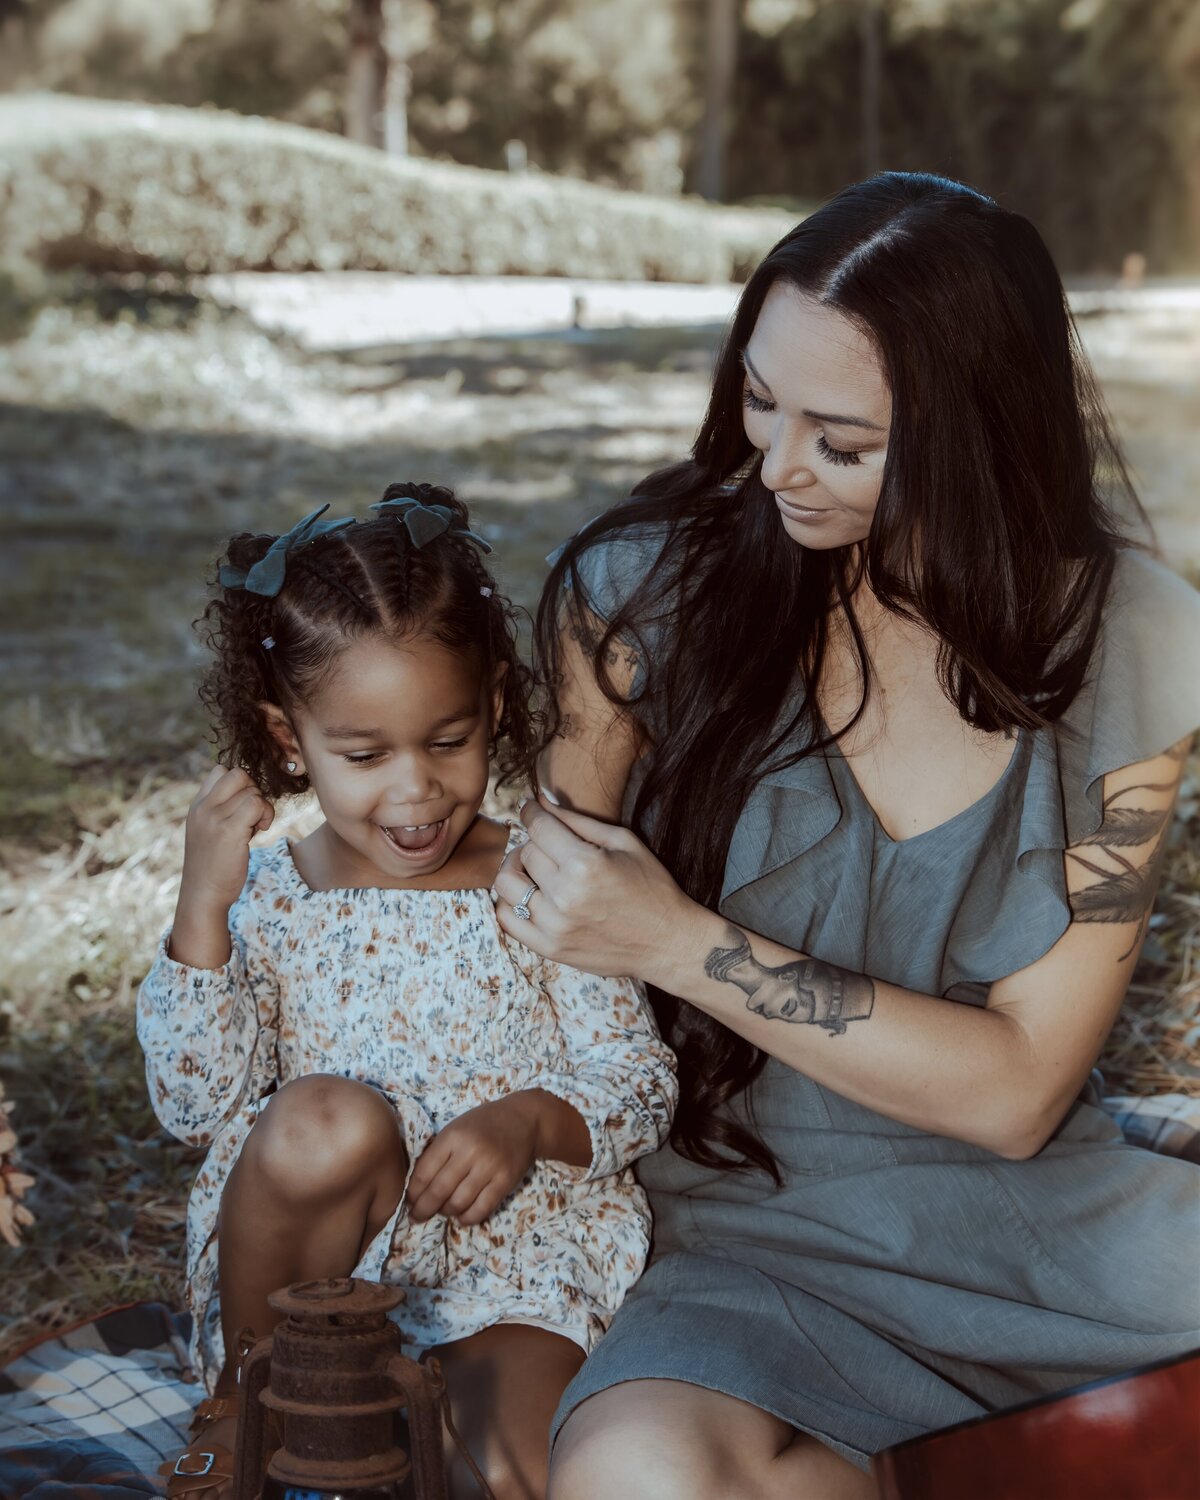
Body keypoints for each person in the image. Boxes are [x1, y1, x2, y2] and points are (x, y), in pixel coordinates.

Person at [491, 172, 1200, 1499]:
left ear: (976, 432)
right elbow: (528, 961)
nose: (773, 466)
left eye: (840, 437)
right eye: (759, 400)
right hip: (741, 1233)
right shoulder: (642, 599)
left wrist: (686, 943)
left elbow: (1013, 1096)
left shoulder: (1141, 641)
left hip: (1043, 1223)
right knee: (636, 1474)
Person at [136, 485, 677, 1500]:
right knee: (321, 1120)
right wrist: (201, 909)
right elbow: (196, 1104)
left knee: (517, 1468)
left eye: (447, 739)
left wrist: (530, 1121)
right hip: (310, 1275)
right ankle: (246, 1397)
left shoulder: (546, 877)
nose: (416, 789)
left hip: (514, 1260)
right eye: (364, 754)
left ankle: (390, 1442)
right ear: (289, 739)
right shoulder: (273, 899)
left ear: (497, 711)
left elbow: (638, 1082)